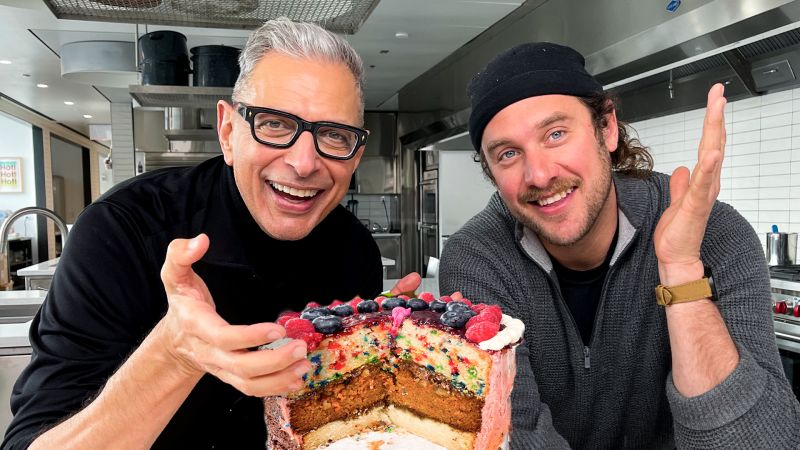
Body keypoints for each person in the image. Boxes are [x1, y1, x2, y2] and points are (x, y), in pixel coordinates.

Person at [2, 18, 418, 450]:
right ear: (228, 131)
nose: (304, 163)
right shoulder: (123, 229)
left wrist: (388, 360)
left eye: (334, 135)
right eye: (274, 124)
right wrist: (174, 355)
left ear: (356, 154)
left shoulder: (355, 250)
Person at [439, 42, 800, 448]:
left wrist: (681, 271)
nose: (538, 175)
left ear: (607, 128)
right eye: (508, 154)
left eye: (556, 134)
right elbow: (509, 435)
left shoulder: (715, 231)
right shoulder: (478, 258)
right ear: (491, 172)